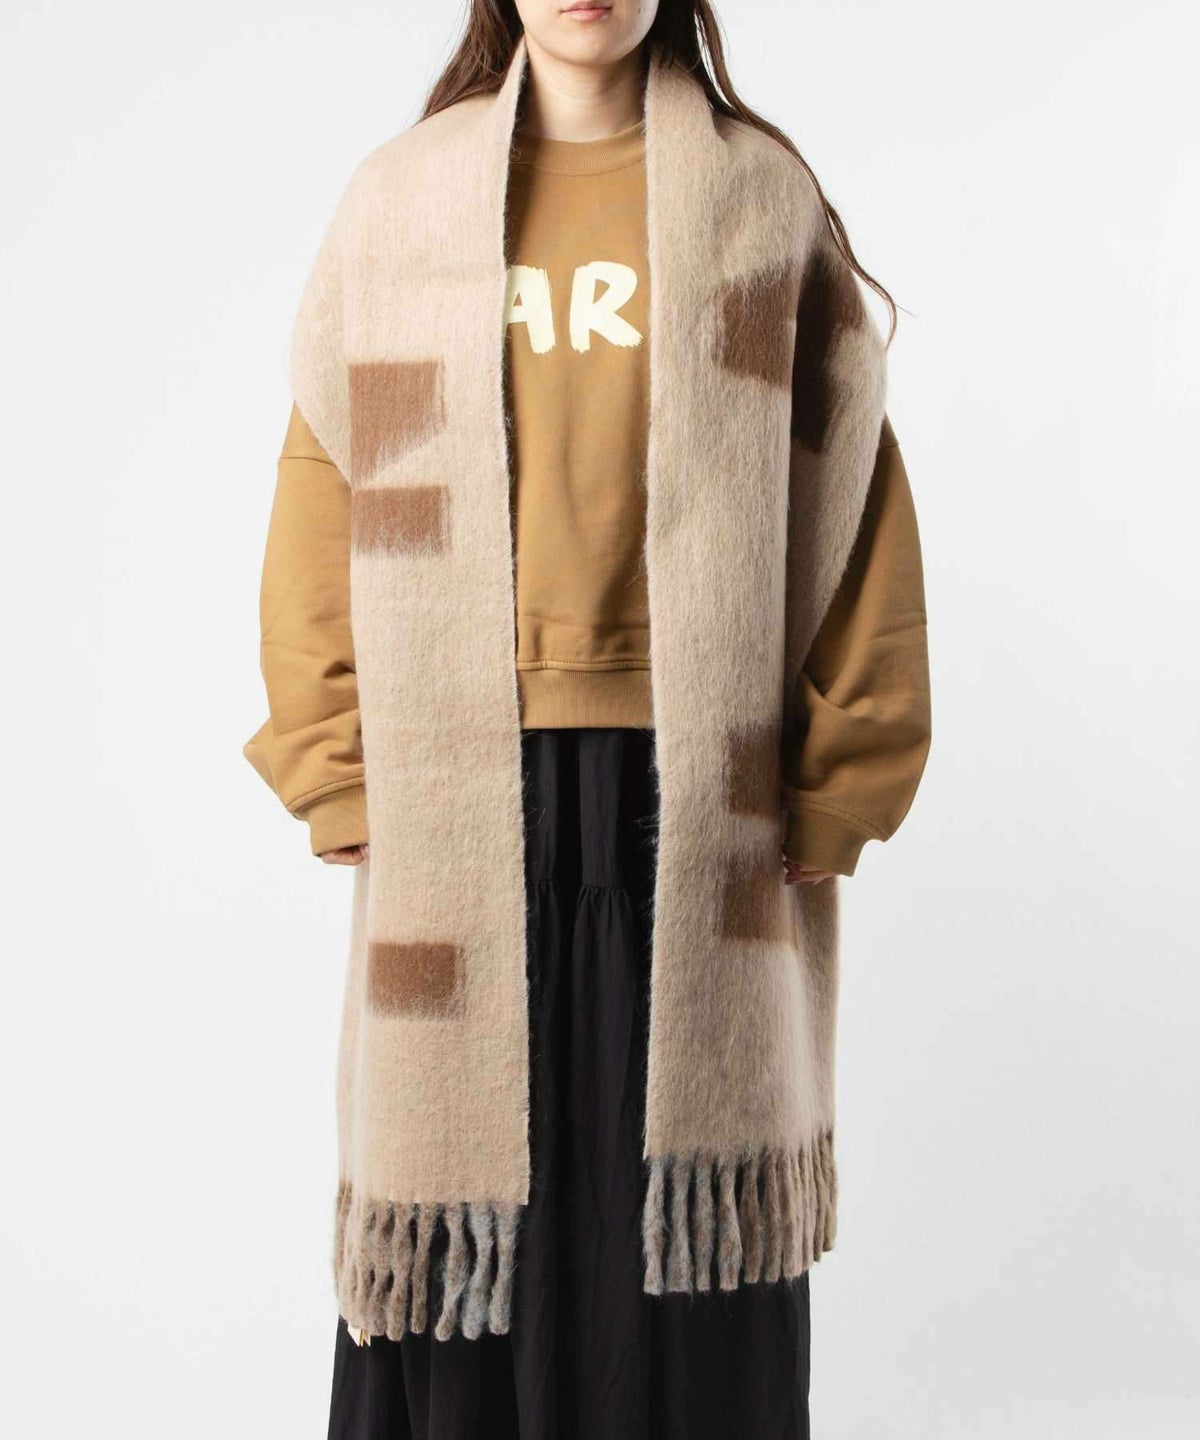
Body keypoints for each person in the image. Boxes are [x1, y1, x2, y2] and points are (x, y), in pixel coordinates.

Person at [244, 2, 932, 1436]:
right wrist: (331, 756)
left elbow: (854, 481)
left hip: (702, 788)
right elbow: (327, 470)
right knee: (463, 1233)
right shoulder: (402, 200)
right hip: (453, 778)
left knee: (682, 1234)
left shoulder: (758, 196)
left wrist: (843, 774)